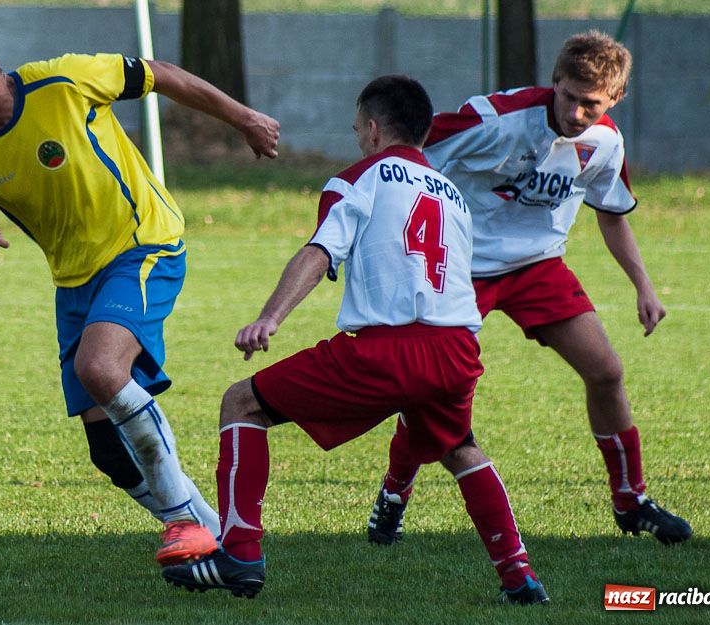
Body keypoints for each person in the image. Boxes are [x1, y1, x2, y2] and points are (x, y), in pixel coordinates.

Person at [161, 75, 549, 605]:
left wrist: (270, 317)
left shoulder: (358, 179)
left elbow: (320, 251)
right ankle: (519, 577)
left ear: (372, 129)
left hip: (389, 349)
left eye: (355, 129)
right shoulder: (455, 197)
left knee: (242, 402)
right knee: (461, 449)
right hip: (458, 349)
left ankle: (239, 555)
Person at [0, 21, 280, 567]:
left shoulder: (62, 83)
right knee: (109, 452)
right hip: (74, 282)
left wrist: (245, 119)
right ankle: (217, 536)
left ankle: (182, 521)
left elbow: (160, 74)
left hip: (142, 245)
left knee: (100, 368)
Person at [366, 30, 691, 549]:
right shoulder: (494, 119)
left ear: (615, 102)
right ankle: (394, 493)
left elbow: (611, 214)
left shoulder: (605, 142)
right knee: (438, 392)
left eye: (593, 105)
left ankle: (631, 501)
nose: (578, 114)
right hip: (462, 270)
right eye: (569, 97)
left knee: (606, 371)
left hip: (538, 268)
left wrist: (643, 286)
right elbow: (407, 152)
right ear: (555, 80)